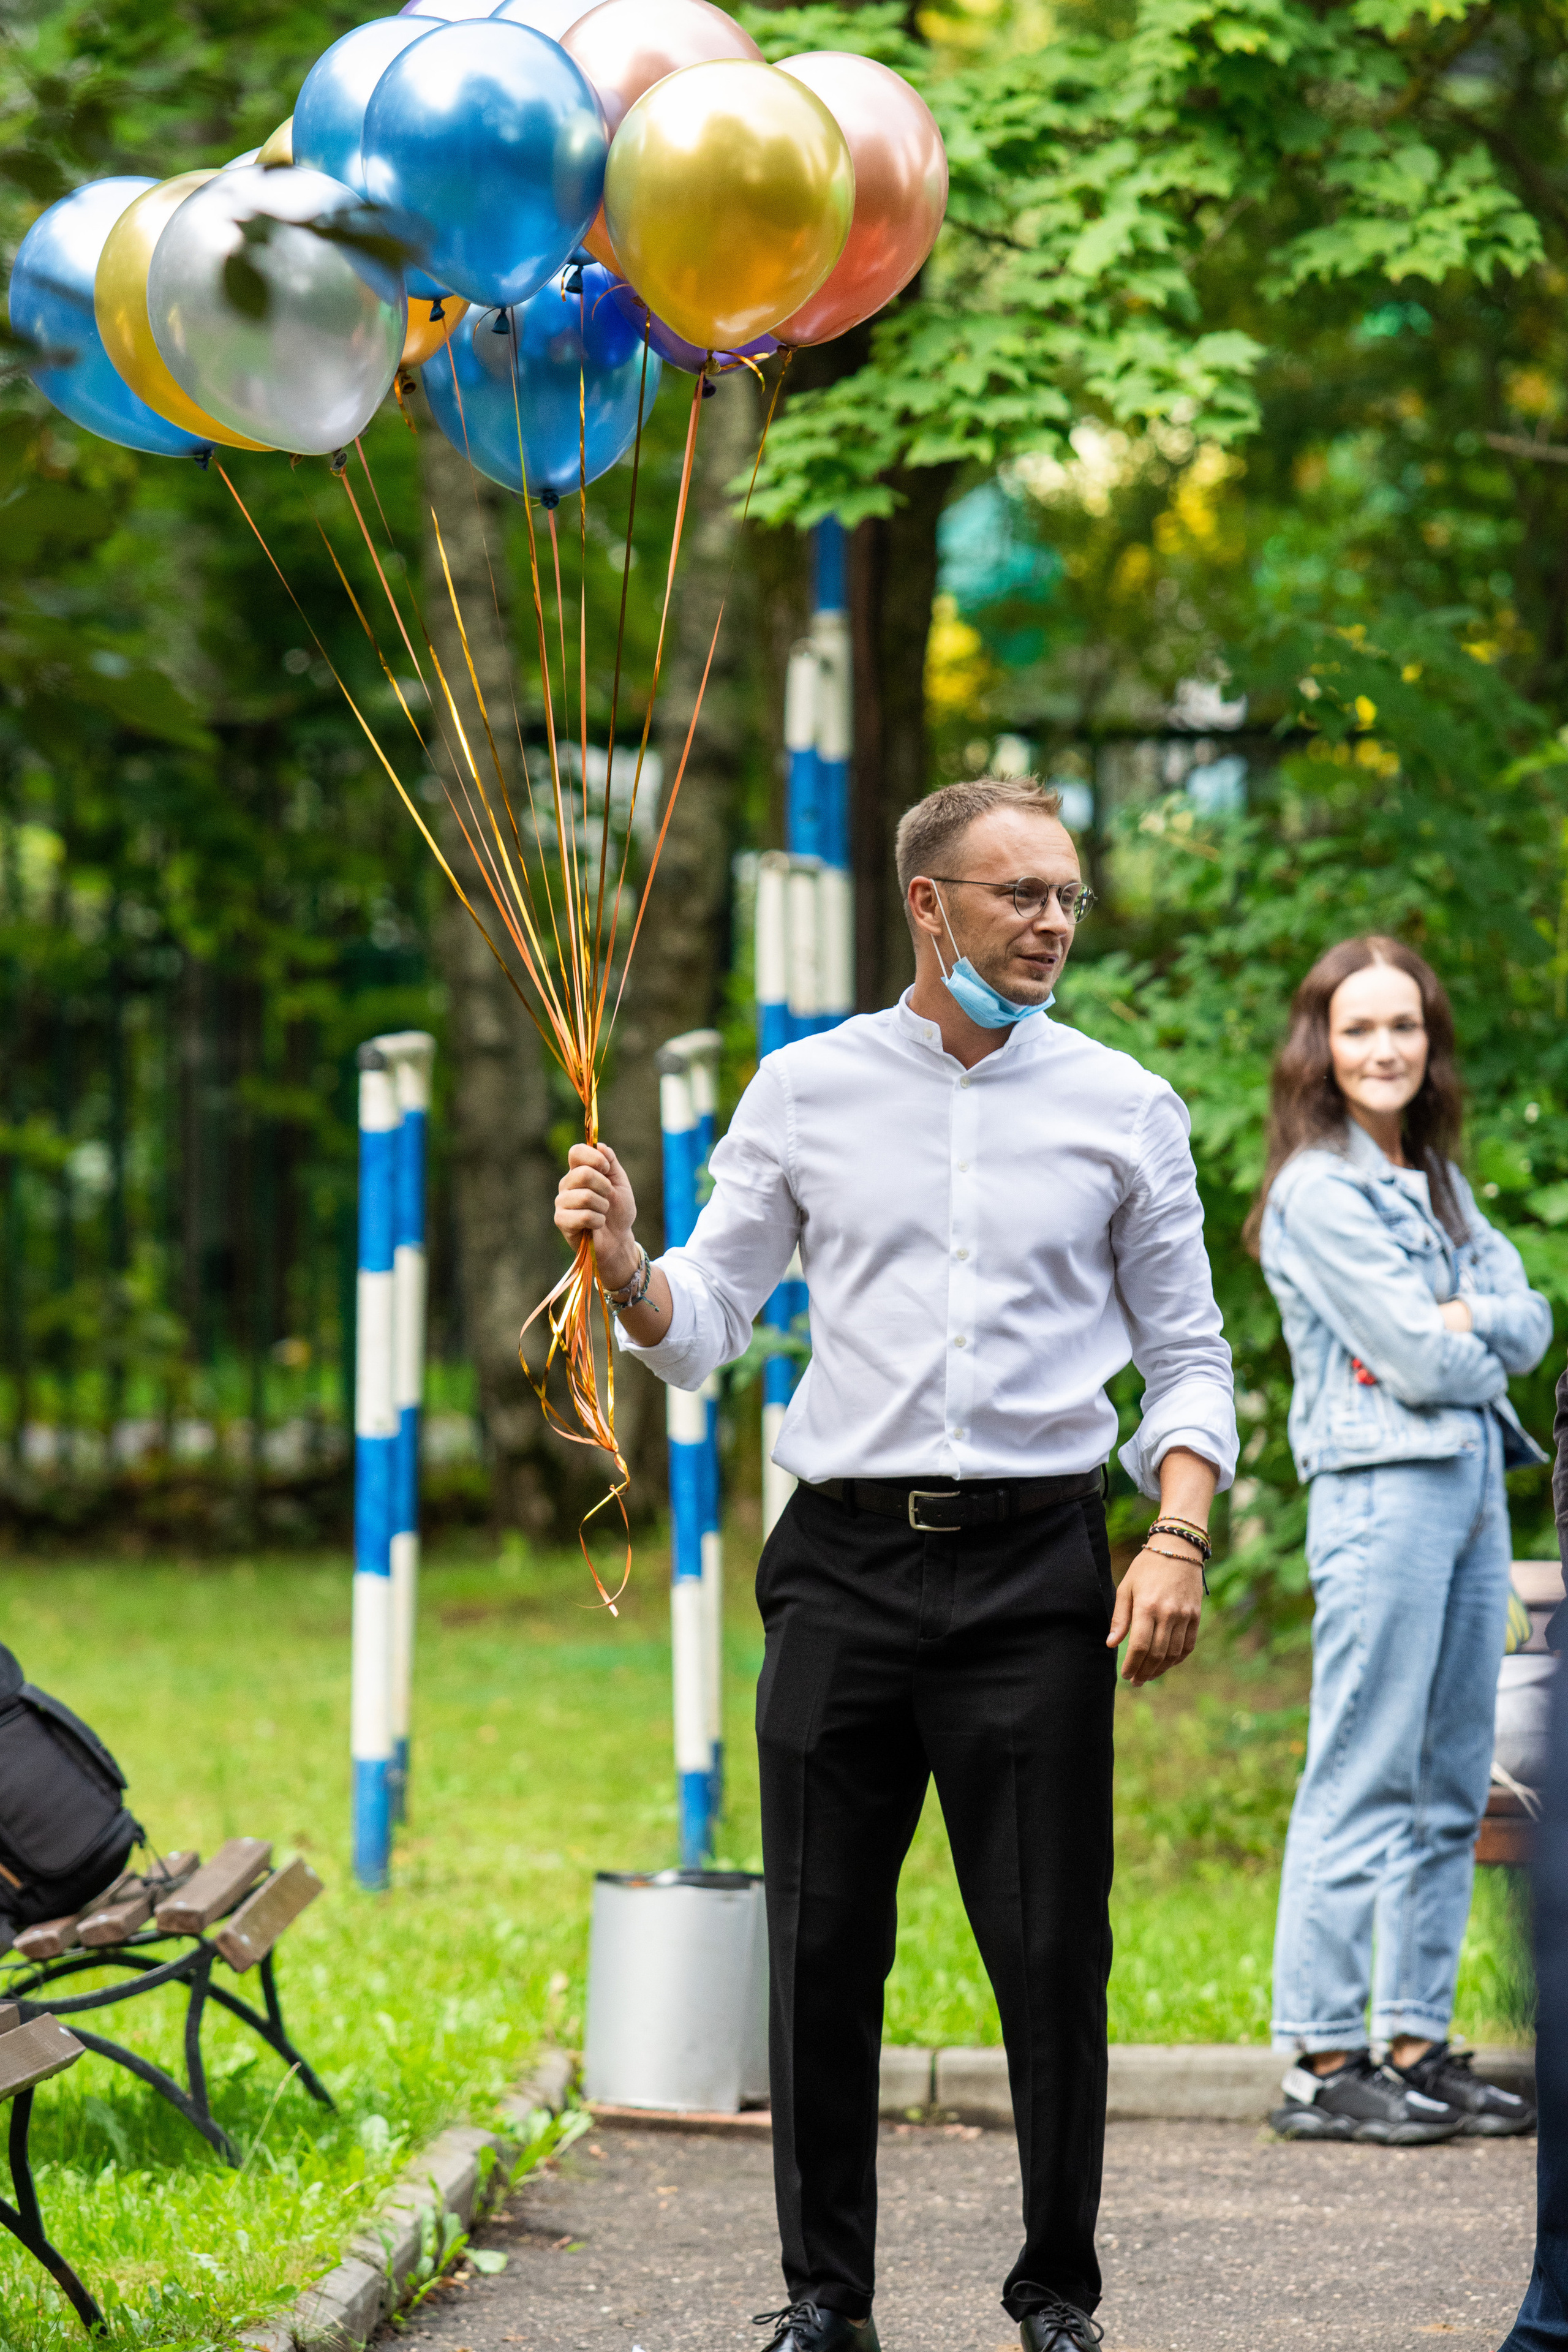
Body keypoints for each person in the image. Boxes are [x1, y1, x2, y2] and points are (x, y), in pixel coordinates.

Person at [554, 777, 1237, 2352]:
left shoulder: (1123, 1106)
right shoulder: (801, 1091)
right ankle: (823, 2303)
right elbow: (702, 1328)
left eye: (1067, 894)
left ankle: (1055, 2295)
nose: (1053, 921)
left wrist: (1178, 1527)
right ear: (927, 906)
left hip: (1034, 1572)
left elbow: (1186, 1357)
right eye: (1019, 895)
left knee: (1051, 1943)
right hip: (844, 1568)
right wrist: (624, 1272)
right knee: (817, 1946)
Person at [1247, 935, 1549, 2144]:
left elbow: (1518, 1325)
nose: (1382, 1049)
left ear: (1428, 1044)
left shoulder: (1436, 1180)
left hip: (1471, 1490)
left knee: (1443, 1779)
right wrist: (1463, 1329)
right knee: (1361, 1771)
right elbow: (1423, 1359)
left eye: (1403, 1027)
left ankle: (1413, 2045)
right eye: (1357, 1028)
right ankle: (1322, 2059)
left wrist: (1461, 1316)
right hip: (1380, 1497)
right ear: (1319, 1045)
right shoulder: (1316, 1192)